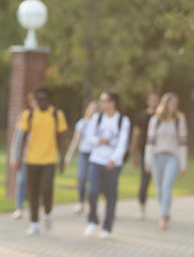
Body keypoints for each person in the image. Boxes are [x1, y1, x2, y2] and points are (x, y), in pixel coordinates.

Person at [13, 86, 68, 235]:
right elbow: (22, 137)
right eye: (39, 99)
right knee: (33, 192)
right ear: (35, 100)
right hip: (30, 160)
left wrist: (63, 159)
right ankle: (34, 224)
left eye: (44, 98)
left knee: (47, 188)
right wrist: (17, 158)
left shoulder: (57, 114)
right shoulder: (28, 114)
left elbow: (62, 138)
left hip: (50, 159)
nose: (42, 101)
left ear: (49, 99)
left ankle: (48, 213)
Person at [83, 91, 130, 239]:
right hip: (96, 160)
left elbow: (123, 143)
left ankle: (107, 227)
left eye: (104, 101)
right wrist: (99, 140)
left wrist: (114, 159)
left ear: (112, 103)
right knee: (92, 191)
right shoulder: (96, 118)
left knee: (111, 195)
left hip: (112, 163)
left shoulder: (123, 120)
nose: (101, 103)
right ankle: (92, 220)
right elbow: (89, 137)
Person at [144, 92, 188, 230]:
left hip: (172, 158)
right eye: (171, 103)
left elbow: (183, 143)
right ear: (165, 103)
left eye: (175, 104)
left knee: (166, 187)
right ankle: (166, 211)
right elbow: (150, 142)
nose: (173, 106)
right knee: (159, 190)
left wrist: (183, 164)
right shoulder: (155, 120)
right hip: (157, 157)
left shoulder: (180, 120)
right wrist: (148, 160)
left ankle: (162, 218)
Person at [130, 90, 160, 219]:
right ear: (147, 101)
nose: (153, 102)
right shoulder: (141, 116)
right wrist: (134, 154)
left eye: (156, 99)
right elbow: (135, 136)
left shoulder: (162, 117)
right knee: (145, 181)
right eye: (151, 99)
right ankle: (142, 207)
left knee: (161, 183)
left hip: (160, 153)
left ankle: (164, 209)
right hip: (145, 154)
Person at [65, 101, 99, 214]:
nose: (93, 111)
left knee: (92, 180)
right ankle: (80, 202)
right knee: (81, 177)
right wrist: (69, 155)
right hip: (84, 154)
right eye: (92, 108)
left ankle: (92, 203)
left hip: (95, 155)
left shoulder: (100, 123)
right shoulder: (82, 123)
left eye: (96, 109)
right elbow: (76, 140)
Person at [8, 92, 37, 220]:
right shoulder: (25, 116)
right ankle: (19, 208)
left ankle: (34, 209)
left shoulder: (48, 116)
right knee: (22, 182)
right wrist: (14, 157)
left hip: (41, 158)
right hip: (26, 156)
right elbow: (18, 138)